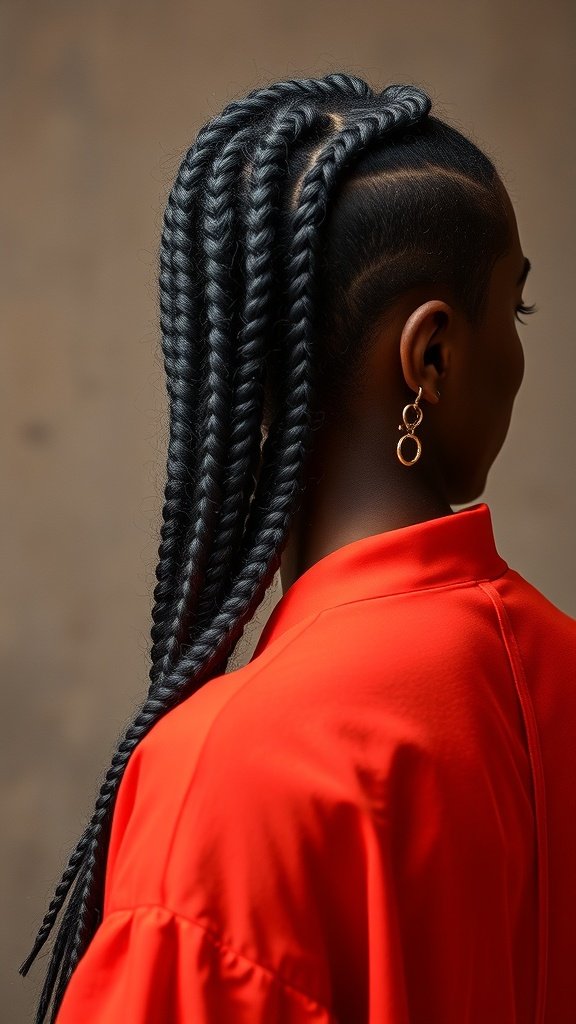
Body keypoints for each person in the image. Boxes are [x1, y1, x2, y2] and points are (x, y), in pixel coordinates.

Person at [20, 73, 576, 1023]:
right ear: (431, 355)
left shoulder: (227, 778)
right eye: (514, 310)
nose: (522, 356)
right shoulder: (560, 666)